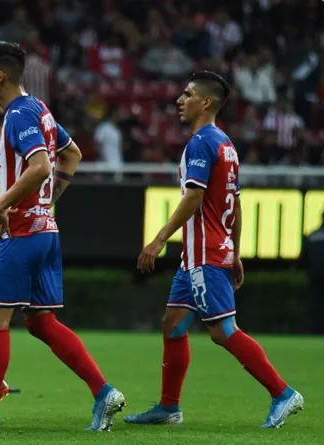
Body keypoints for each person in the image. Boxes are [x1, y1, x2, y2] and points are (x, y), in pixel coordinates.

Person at [126, 70, 303, 428]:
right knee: (173, 323)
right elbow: (234, 205)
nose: (180, 100)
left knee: (223, 331)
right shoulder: (225, 144)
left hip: (204, 254)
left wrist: (159, 239)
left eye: (188, 94)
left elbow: (194, 196)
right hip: (203, 254)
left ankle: (282, 393)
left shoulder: (201, 143)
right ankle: (168, 407)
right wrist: (236, 253)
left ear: (206, 102)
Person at [0, 41, 125, 432]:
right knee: (41, 322)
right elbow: (70, 153)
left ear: (0, 76)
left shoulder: (21, 115)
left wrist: (2, 204)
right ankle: (103, 391)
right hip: (45, 230)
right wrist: (50, 201)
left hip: (20, 232)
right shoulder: (38, 110)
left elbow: (41, 165)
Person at [300, 212, 324, 334]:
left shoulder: (312, 236)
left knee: (316, 305)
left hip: (315, 276)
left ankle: (315, 330)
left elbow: (303, 259)